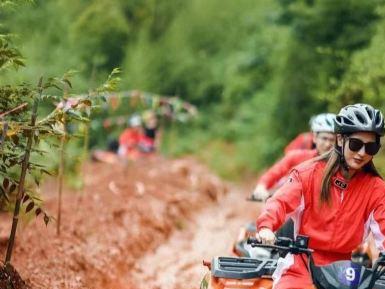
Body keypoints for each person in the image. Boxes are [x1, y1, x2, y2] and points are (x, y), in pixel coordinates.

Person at [255, 103, 385, 289]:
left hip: (346, 270)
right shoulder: (306, 174)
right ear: (340, 140)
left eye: (371, 147)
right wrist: (266, 227)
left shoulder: (377, 188)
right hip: (302, 264)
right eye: (356, 144)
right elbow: (279, 202)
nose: (362, 153)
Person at [253, 113, 336, 201]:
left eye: (332, 140)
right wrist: (261, 187)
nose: (328, 144)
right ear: (315, 137)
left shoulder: (343, 165)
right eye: (324, 138)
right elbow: (275, 171)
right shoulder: (297, 155)